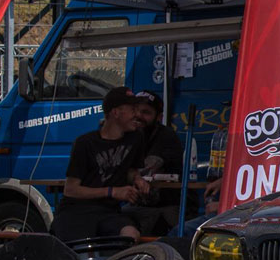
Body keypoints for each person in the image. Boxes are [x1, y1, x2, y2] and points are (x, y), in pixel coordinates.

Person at [51, 86, 148, 242]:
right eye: (132, 109)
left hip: (109, 212)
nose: (137, 115)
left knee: (131, 235)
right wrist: (112, 192)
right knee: (82, 252)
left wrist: (137, 179)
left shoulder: (136, 138)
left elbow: (130, 170)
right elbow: (71, 189)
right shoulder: (85, 143)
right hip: (76, 211)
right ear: (115, 113)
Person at [126, 90, 188, 235]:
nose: (138, 116)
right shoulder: (131, 135)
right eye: (135, 110)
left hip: (166, 208)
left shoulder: (165, 136)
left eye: (145, 112)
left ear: (159, 117)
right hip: (138, 204)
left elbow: (147, 169)